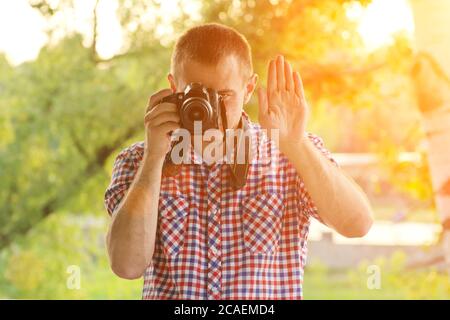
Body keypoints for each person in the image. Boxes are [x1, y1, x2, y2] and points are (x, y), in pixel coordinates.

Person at [104, 23, 373, 299]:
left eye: (223, 96)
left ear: (248, 89)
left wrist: (297, 144)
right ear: (173, 87)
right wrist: (154, 158)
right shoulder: (138, 160)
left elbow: (357, 224)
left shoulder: (289, 153)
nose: (209, 110)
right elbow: (126, 265)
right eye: (196, 95)